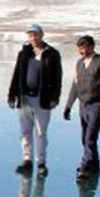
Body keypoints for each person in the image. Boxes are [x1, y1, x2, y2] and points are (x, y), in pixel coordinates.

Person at [8, 25, 62, 178]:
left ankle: (41, 163)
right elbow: (17, 74)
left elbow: (57, 77)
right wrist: (12, 95)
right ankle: (27, 160)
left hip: (42, 99)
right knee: (25, 131)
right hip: (25, 98)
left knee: (40, 132)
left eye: (36, 35)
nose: (33, 38)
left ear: (42, 35)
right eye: (31, 35)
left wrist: (55, 98)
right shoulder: (24, 53)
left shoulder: (51, 54)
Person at [63, 35, 100, 181]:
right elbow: (75, 86)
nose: (81, 50)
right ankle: (94, 165)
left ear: (92, 46)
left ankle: (84, 167)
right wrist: (68, 106)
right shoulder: (79, 63)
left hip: (97, 104)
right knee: (84, 138)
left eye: (84, 47)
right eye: (80, 48)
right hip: (83, 105)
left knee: (90, 137)